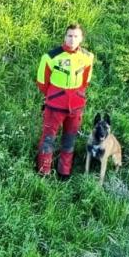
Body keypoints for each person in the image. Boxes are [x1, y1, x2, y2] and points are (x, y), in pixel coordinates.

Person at [35, 24, 94, 178]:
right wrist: (56, 95)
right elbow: (42, 82)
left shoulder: (88, 57)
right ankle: (43, 172)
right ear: (65, 37)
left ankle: (64, 172)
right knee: (48, 139)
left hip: (76, 107)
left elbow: (85, 81)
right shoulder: (50, 57)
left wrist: (76, 95)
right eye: (69, 36)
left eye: (76, 36)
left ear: (81, 38)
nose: (72, 39)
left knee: (70, 139)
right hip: (55, 106)